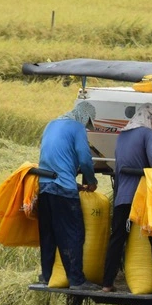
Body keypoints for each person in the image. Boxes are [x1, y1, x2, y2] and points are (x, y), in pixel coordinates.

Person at [102, 103, 152, 295]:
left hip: (122, 196)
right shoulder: (148, 134)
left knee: (117, 239)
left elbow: (119, 166)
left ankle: (107, 284)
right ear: (150, 119)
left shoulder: (122, 135)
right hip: (143, 196)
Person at [36, 100, 101, 291]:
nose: (86, 126)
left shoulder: (52, 124)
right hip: (63, 189)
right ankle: (77, 280)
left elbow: (54, 155)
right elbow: (84, 157)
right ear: (85, 117)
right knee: (72, 234)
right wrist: (91, 181)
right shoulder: (77, 127)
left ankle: (46, 276)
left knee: (49, 234)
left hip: (44, 186)